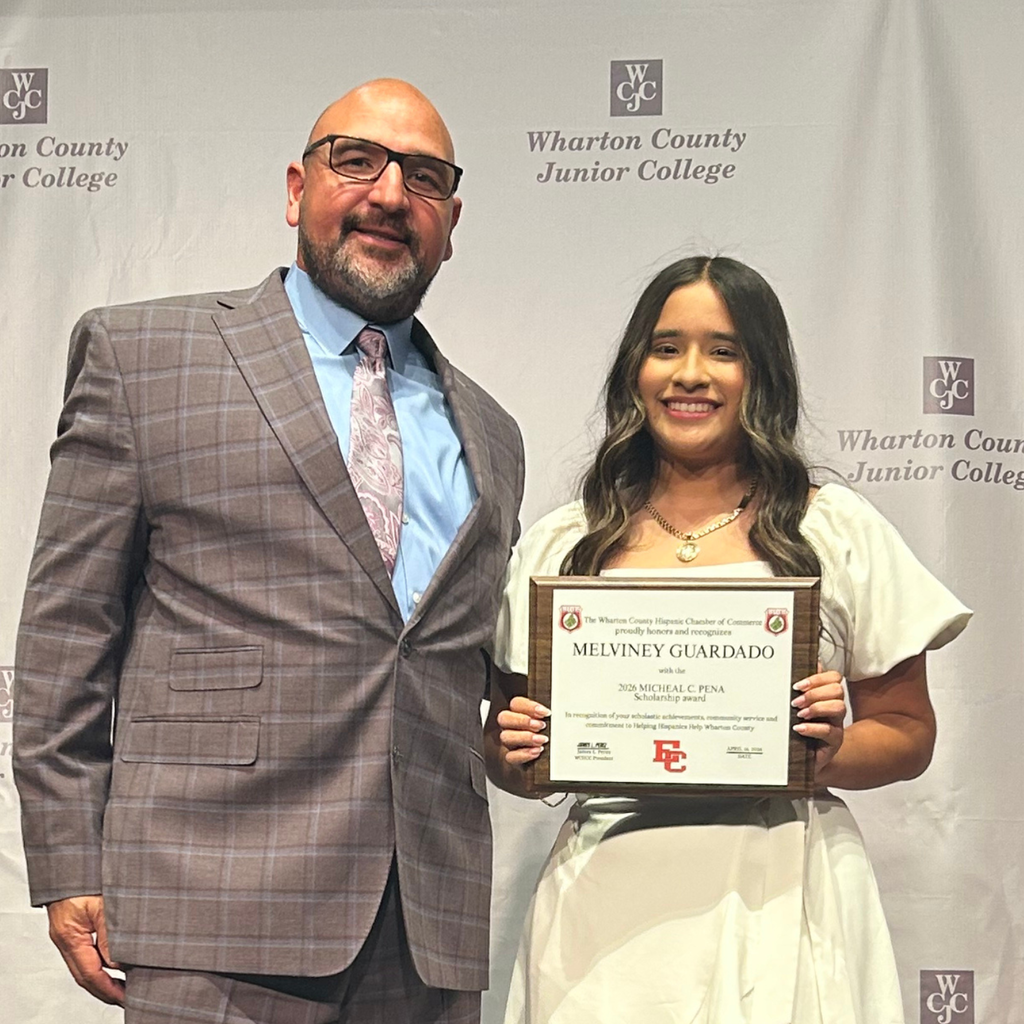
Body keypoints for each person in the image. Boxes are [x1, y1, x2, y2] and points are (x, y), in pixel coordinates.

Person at [14, 78, 524, 1024]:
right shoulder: (145, 357)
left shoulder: (493, 433)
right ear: (297, 189)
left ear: (451, 219)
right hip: (210, 915)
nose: (387, 194)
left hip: (426, 937)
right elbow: (65, 633)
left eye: (422, 177)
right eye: (355, 160)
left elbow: (464, 670)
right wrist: (68, 858)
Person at [485, 255, 970, 1023]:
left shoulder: (833, 531)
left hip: (784, 889)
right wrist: (516, 757)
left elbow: (909, 732)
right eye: (667, 346)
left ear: (762, 373)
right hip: (603, 912)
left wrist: (826, 749)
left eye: (724, 350)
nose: (691, 374)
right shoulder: (563, 545)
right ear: (635, 370)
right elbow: (508, 752)